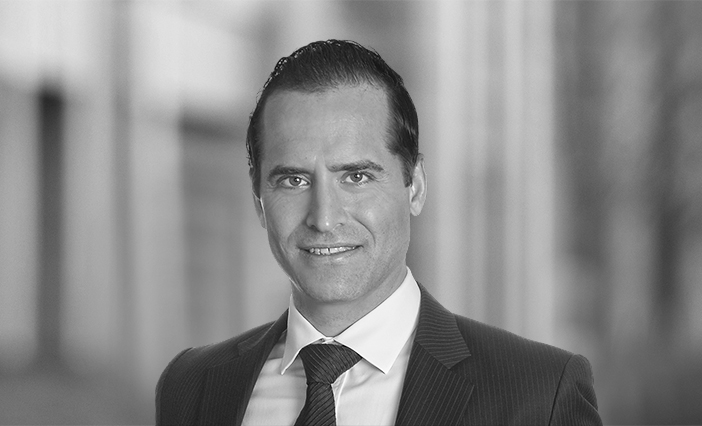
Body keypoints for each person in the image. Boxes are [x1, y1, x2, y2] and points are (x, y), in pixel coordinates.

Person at [155, 39, 602, 426]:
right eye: (294, 180)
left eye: (356, 177)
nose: (324, 218)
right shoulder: (192, 386)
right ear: (259, 202)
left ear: (415, 187)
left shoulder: (540, 394)